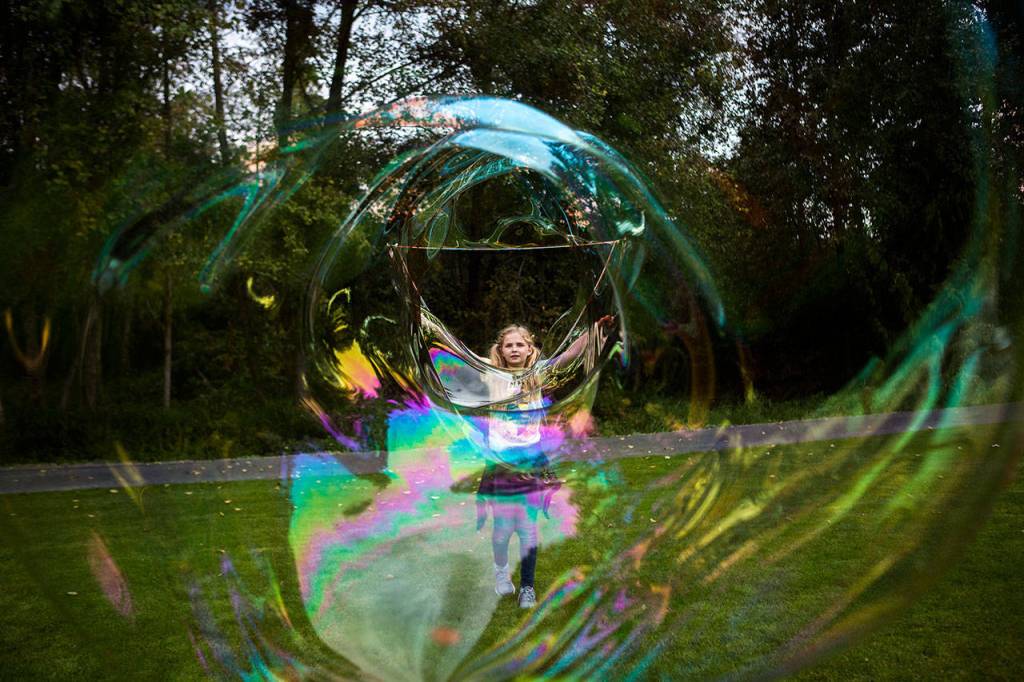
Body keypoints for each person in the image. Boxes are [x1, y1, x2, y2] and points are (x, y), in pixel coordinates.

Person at [476, 318, 613, 608]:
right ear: (500, 350)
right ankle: (501, 571)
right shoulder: (492, 375)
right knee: (502, 529)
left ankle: (527, 587)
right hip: (501, 462)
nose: (514, 349)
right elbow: (456, 358)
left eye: (520, 344)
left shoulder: (537, 374)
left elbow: (568, 356)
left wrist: (592, 333)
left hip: (531, 461)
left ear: (529, 349)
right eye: (508, 345)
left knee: (527, 527)